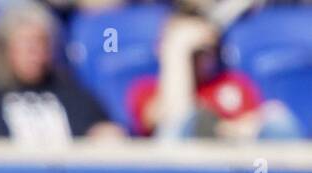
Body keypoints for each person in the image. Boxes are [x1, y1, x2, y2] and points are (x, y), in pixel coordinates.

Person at [0, 1, 124, 142]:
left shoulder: (74, 98)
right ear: (4, 48)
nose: (35, 54)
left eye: (41, 44)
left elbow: (105, 132)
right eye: (26, 45)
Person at [127, 13, 303, 140]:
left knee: (276, 116)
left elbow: (253, 127)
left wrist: (222, 129)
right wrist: (178, 50)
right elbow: (174, 122)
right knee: (188, 120)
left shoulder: (233, 83)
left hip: (236, 165)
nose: (201, 58)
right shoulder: (145, 89)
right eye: (193, 52)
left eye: (206, 49)